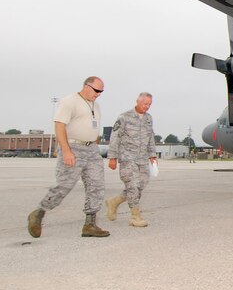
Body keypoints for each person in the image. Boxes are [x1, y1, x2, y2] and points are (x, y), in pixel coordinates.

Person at [27, 76, 110, 238]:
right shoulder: (70, 101)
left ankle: (90, 224)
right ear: (87, 86)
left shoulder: (96, 105)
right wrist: (66, 151)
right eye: (97, 90)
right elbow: (59, 126)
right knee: (65, 185)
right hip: (73, 147)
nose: (99, 94)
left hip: (92, 149)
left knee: (97, 185)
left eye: (102, 91)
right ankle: (38, 213)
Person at [105, 92, 157, 227]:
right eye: (145, 103)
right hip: (127, 157)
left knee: (141, 185)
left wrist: (152, 155)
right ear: (137, 102)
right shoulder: (124, 117)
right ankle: (135, 217)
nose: (147, 107)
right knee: (132, 186)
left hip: (142, 158)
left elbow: (150, 137)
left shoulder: (148, 118)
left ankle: (114, 202)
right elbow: (115, 137)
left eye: (150, 104)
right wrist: (112, 157)